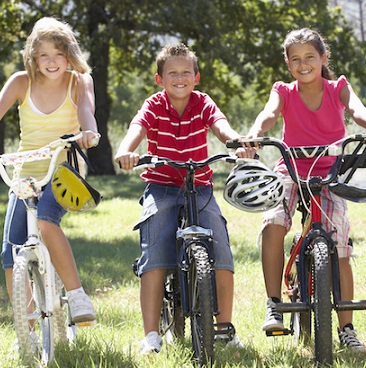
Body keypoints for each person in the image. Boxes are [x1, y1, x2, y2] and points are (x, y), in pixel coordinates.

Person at [245, 28, 366, 352]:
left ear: (323, 58)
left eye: (310, 57)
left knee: (339, 245)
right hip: (291, 169)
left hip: (330, 172)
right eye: (295, 59)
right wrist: (255, 133)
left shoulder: (337, 87)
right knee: (272, 224)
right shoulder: (283, 91)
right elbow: (269, 114)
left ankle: (347, 328)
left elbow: (357, 109)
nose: (303, 64)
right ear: (287, 64)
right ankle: (274, 305)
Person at [114, 43, 252, 354]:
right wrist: (126, 150)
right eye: (172, 73)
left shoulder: (203, 103)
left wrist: (235, 142)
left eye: (185, 72)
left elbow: (221, 126)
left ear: (196, 77)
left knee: (220, 246)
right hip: (161, 185)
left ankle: (224, 329)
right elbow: (137, 128)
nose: (179, 78)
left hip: (199, 186)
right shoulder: (153, 105)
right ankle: (151, 335)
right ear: (158, 79)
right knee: (154, 253)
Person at [0, 17, 99, 324]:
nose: (51, 62)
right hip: (25, 172)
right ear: (33, 57)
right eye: (44, 55)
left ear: (69, 55)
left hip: (63, 169)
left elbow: (86, 112)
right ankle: (26, 327)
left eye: (58, 54)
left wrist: (89, 133)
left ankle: (78, 296)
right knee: (10, 251)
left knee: (45, 219)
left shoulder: (79, 81)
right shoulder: (20, 82)